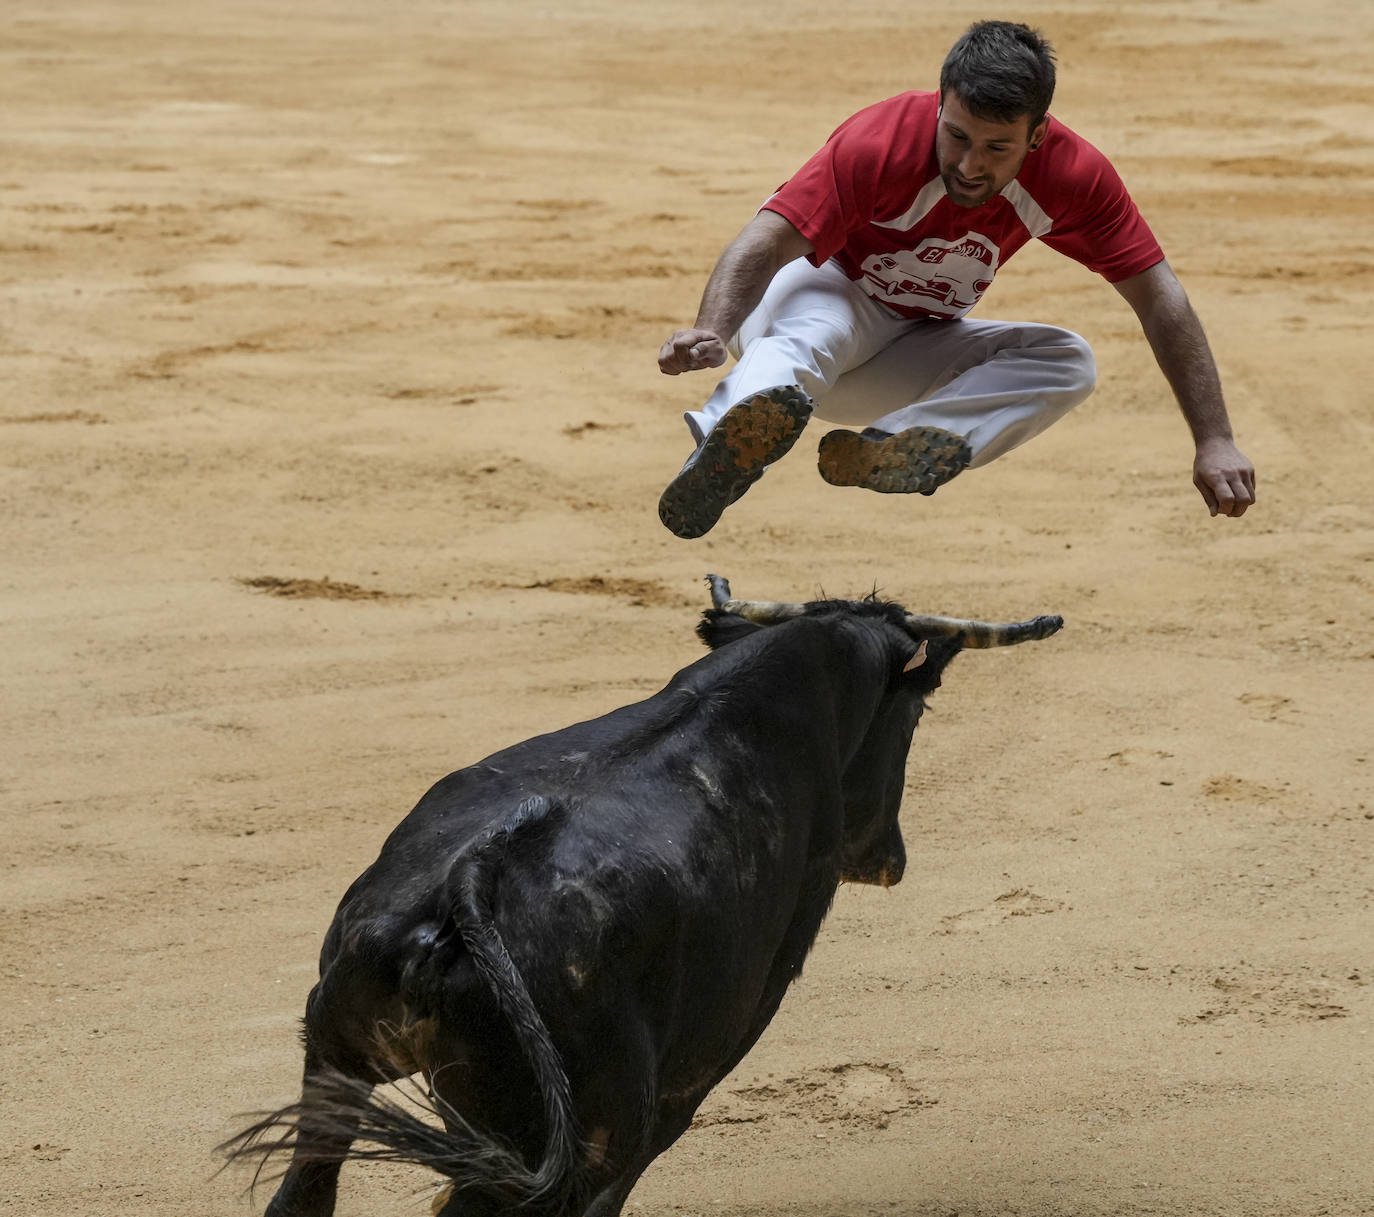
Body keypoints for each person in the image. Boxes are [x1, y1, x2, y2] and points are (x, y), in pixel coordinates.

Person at [655, 20, 1256, 539]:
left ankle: (891, 449)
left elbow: (1159, 297)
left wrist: (1215, 438)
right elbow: (767, 239)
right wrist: (713, 328)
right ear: (941, 105)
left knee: (1067, 360)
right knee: (812, 331)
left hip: (909, 343)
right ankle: (721, 446)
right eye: (958, 135)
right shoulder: (880, 143)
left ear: (1037, 135)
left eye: (998, 148)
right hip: (818, 293)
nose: (971, 165)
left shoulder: (1075, 177)